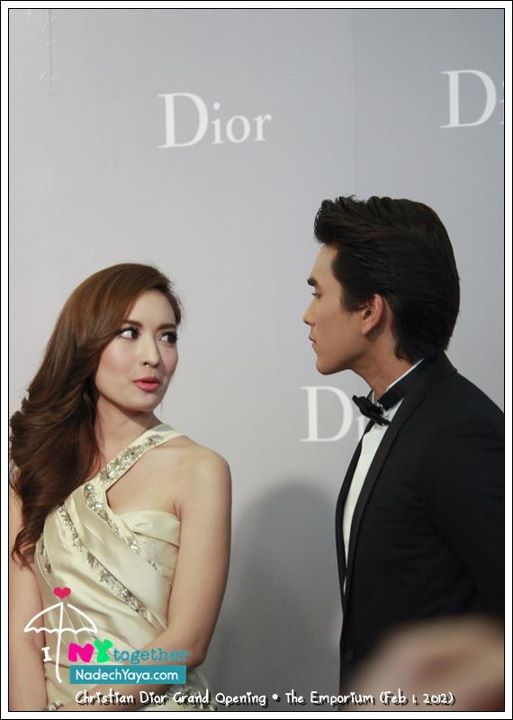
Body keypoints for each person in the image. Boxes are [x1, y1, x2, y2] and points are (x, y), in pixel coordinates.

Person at [303, 196, 504, 695]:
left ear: (369, 311)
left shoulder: (459, 430)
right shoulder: (404, 415)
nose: (308, 315)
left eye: (318, 293)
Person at [9, 263, 231, 711]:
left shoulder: (200, 469)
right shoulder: (35, 472)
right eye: (129, 332)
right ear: (86, 342)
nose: (153, 356)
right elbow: (23, 635)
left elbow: (188, 643)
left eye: (167, 336)